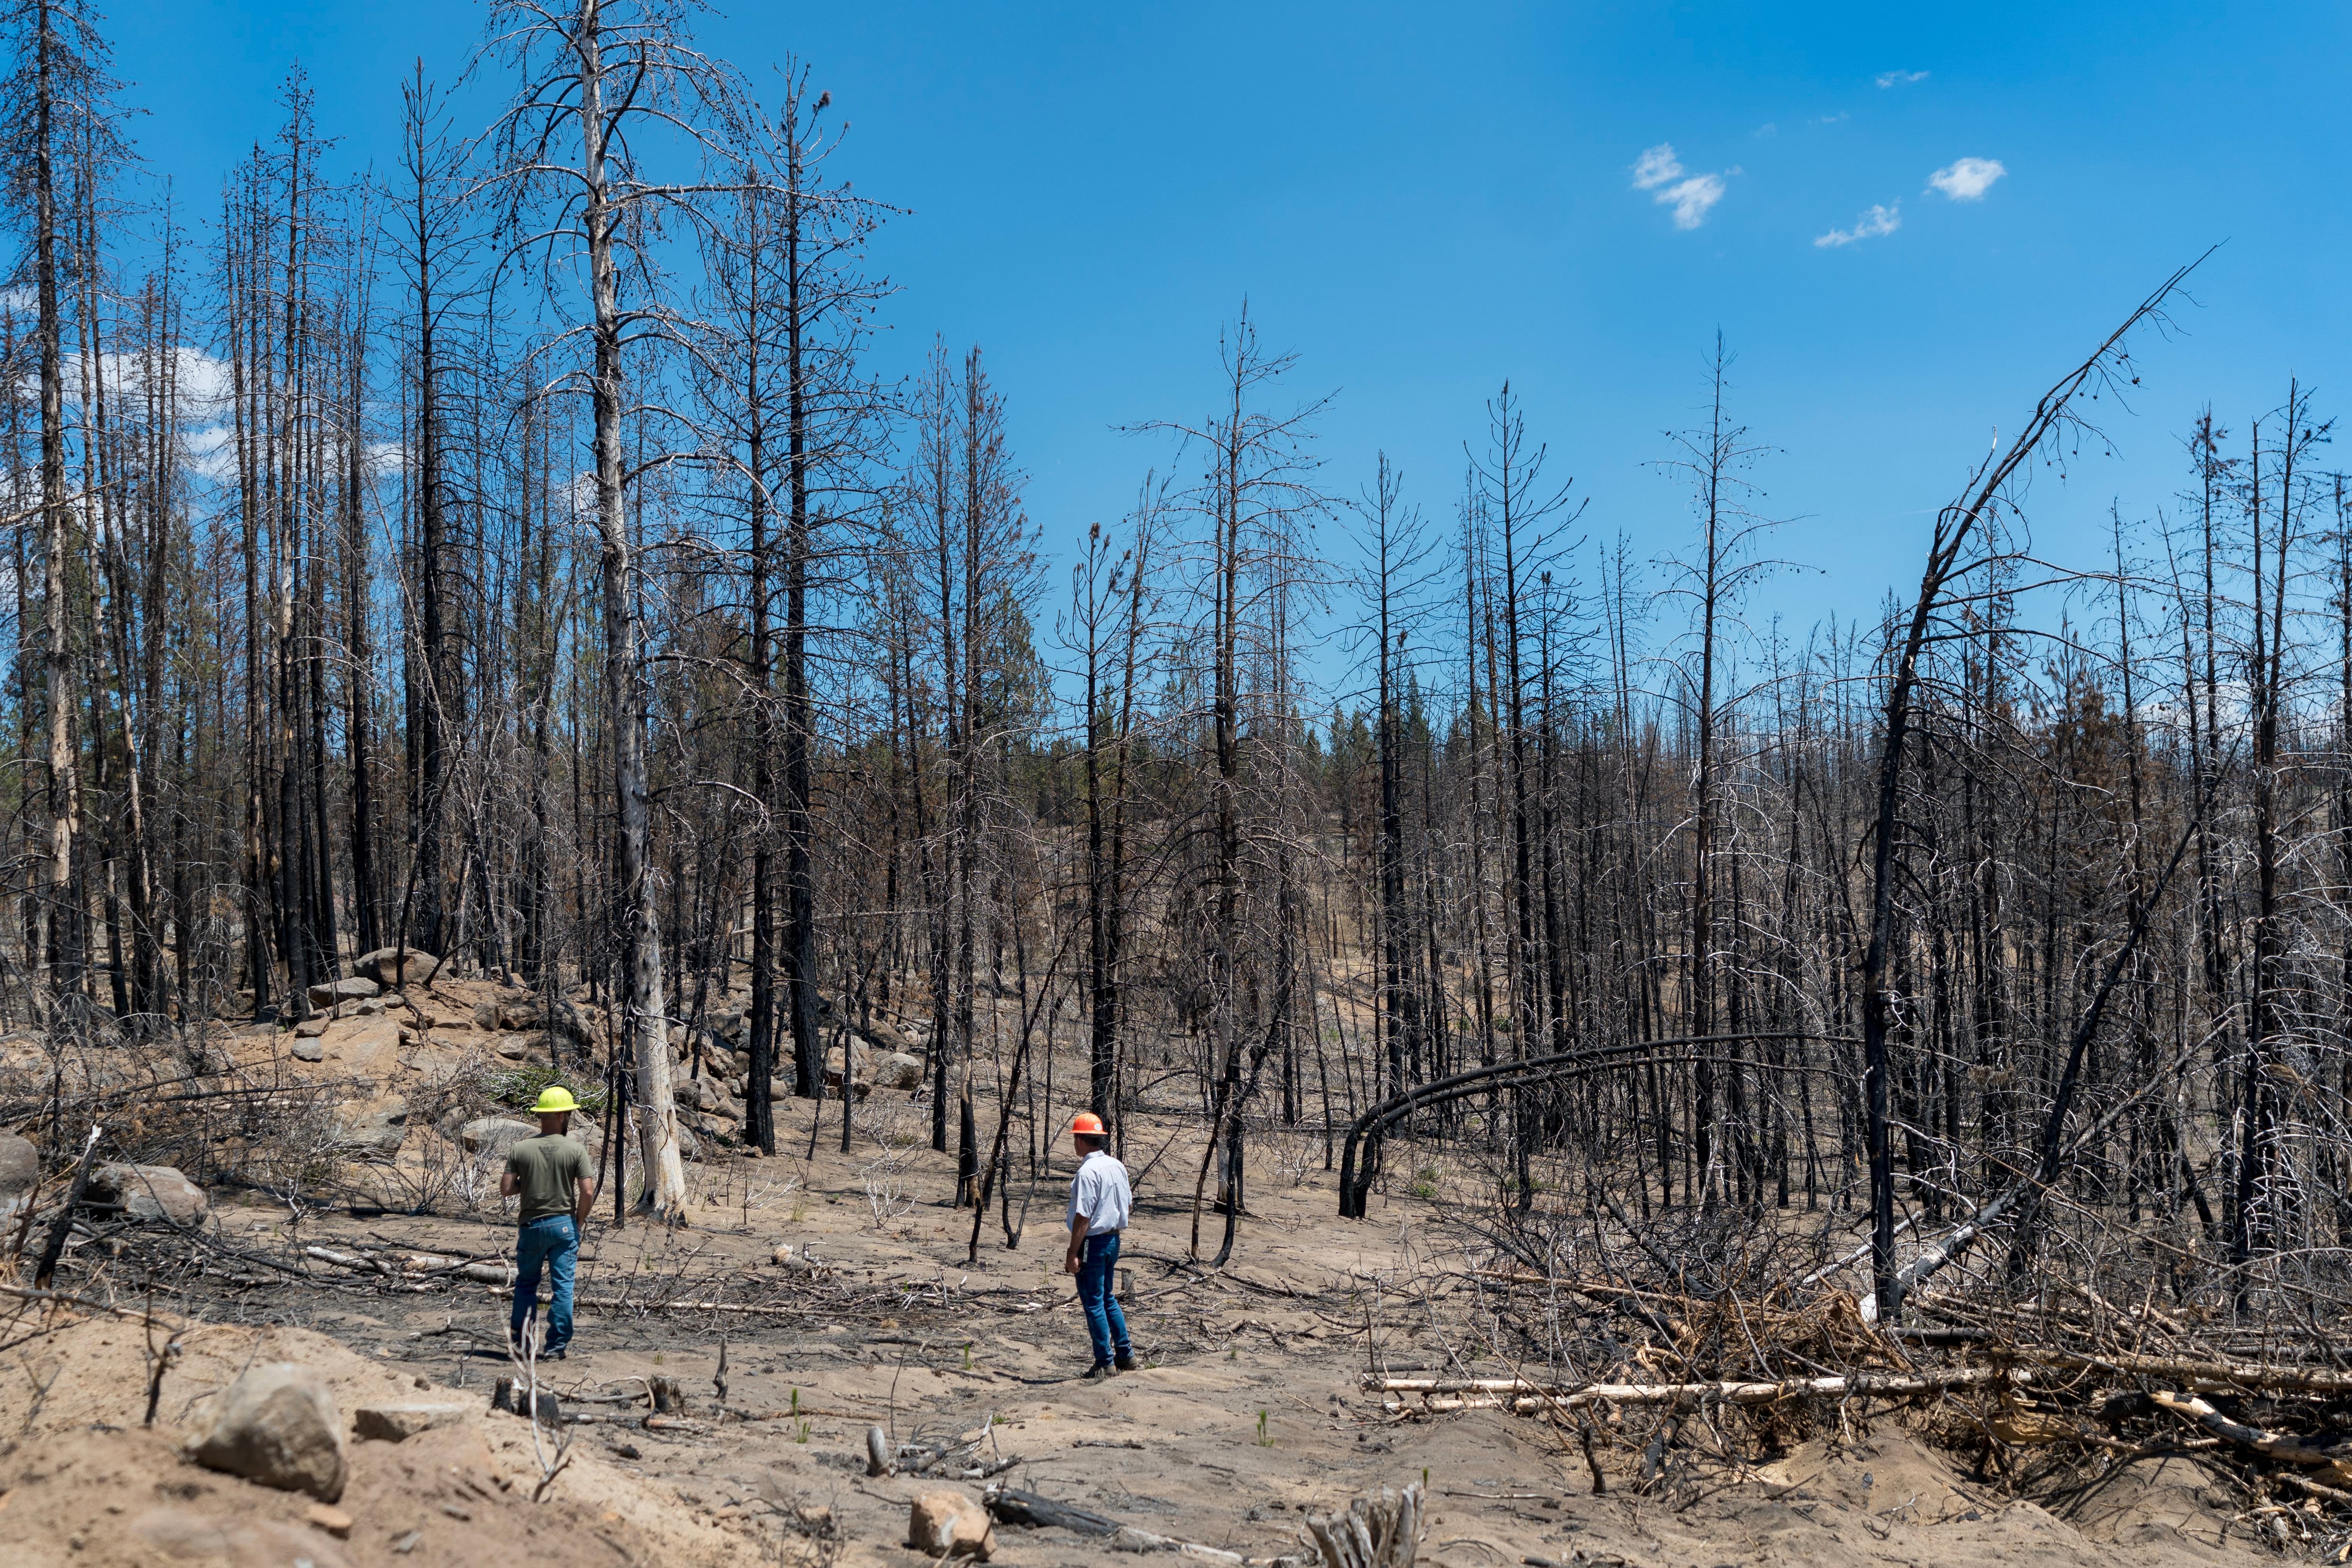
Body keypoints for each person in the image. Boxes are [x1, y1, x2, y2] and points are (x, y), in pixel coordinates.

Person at [501, 1085, 597, 1361]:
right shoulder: (575, 1150)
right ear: (560, 1116)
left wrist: (530, 1184)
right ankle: (556, 1347)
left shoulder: (521, 1148)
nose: (569, 1117)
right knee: (563, 1286)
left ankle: (522, 1344)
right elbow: (588, 1191)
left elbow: (507, 1189)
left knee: (526, 1285)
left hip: (531, 1226)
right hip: (563, 1226)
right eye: (568, 1114)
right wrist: (579, 1221)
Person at [1064, 1111, 1136, 1380]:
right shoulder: (1117, 1166)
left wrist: (1073, 1253)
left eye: (1075, 1139)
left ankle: (1105, 1362)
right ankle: (1126, 1355)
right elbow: (1128, 1204)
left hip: (1093, 1243)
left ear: (1081, 1141)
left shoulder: (1087, 1172)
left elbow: (1083, 1217)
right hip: (1113, 1239)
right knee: (1107, 1298)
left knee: (1094, 1302)